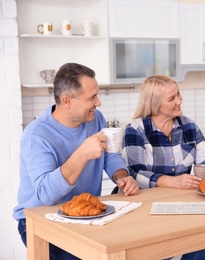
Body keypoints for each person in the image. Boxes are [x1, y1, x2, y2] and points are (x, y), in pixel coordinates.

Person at [13, 63, 139, 260]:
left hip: (85, 217)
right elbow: (46, 195)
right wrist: (82, 154)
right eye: (91, 97)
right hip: (40, 220)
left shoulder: (95, 118)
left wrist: (121, 176)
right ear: (67, 101)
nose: (98, 103)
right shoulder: (37, 135)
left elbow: (110, 154)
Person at [122, 75, 205, 259]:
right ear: (154, 104)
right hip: (147, 209)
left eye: (178, 94)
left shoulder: (189, 126)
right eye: (172, 98)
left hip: (183, 204)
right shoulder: (135, 129)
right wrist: (172, 181)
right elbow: (135, 172)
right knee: (162, 252)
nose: (179, 101)